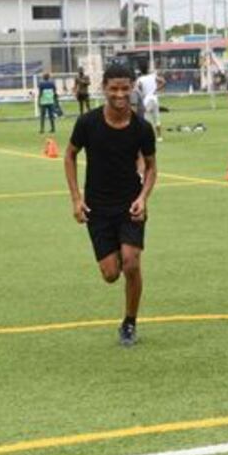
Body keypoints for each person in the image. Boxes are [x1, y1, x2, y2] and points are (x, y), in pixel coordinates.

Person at [64, 63, 157, 347]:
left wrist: (143, 198)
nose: (119, 94)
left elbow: (152, 167)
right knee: (110, 274)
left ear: (132, 89)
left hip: (130, 205)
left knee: (131, 263)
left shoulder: (142, 127)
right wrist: (77, 199)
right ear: (103, 88)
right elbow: (69, 156)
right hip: (97, 208)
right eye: (113, 88)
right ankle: (117, 248)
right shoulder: (88, 123)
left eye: (125, 88)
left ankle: (129, 323)